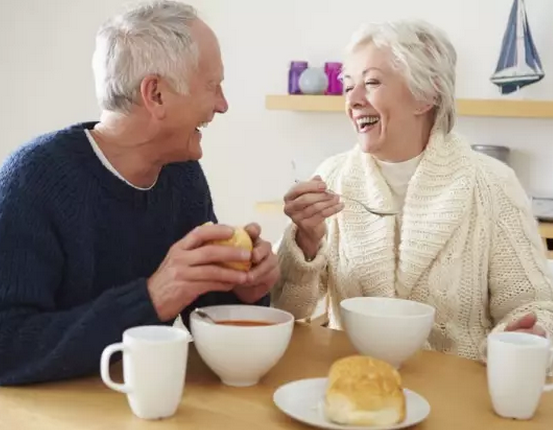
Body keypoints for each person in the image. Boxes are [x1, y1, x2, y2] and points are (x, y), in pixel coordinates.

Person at [0, 0, 279, 386]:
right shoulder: (32, 180)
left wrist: (244, 287)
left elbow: (200, 308)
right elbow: (8, 345)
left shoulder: (182, 175)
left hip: (140, 401)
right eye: (212, 86)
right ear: (156, 94)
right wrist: (150, 298)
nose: (222, 104)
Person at [271, 19, 553, 362]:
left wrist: (525, 335)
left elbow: (536, 306)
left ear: (426, 95)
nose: (353, 101)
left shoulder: (493, 185)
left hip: (457, 388)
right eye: (348, 86)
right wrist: (305, 242)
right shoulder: (331, 179)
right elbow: (286, 308)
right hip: (354, 381)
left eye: (371, 83)